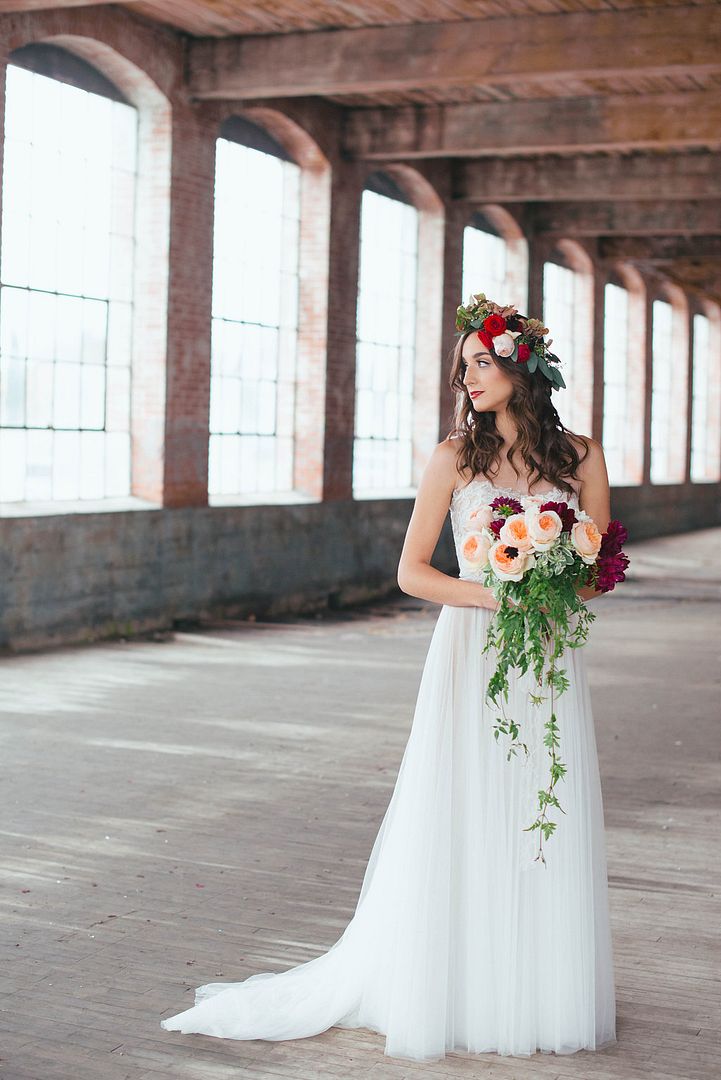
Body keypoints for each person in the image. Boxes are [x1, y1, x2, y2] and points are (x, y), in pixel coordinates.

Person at [160, 295, 617, 1061]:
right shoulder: (453, 457)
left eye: (479, 362)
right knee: (463, 804)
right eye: (461, 366)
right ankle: (452, 982)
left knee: (543, 803)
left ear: (521, 365)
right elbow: (409, 572)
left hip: (545, 653)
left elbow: (600, 571)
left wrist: (553, 580)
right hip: (471, 648)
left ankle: (536, 985)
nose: (466, 378)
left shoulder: (582, 455)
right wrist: (495, 594)